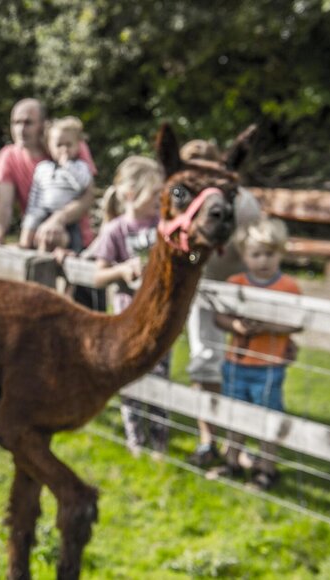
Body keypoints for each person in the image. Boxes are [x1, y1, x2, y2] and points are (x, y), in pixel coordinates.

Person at [180, 140, 263, 467]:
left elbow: (257, 249)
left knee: (246, 366)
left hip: (240, 289)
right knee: (204, 360)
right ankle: (208, 440)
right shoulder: (182, 198)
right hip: (203, 286)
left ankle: (239, 443)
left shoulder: (244, 203)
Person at [212, 218, 302, 490]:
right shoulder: (236, 283)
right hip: (236, 363)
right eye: (256, 254)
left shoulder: (288, 287)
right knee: (234, 415)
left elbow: (297, 321)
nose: (263, 260)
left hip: (269, 367)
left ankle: (266, 469)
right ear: (244, 256)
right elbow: (220, 317)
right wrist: (237, 326)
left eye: (269, 254)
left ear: (280, 253)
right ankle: (232, 461)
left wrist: (268, 326)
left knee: (268, 419)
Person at [90, 156, 169, 457]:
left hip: (159, 318)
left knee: (160, 379)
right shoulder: (115, 230)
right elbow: (98, 275)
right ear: (131, 195)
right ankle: (135, 442)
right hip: (126, 319)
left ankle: (159, 444)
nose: (160, 200)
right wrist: (122, 270)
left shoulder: (164, 227)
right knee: (129, 378)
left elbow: (186, 257)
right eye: (155, 194)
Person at [0, 98, 97, 258]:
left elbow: (88, 196)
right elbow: (4, 204)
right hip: (35, 239)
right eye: (16, 123)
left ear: (43, 125)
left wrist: (58, 219)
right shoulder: (9, 155)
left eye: (28, 123)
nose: (21, 129)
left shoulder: (67, 144)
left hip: (76, 241)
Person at [19, 117, 94, 253]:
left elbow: (83, 184)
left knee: (65, 241)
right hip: (43, 213)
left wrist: (67, 165)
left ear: (78, 145)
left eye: (69, 145)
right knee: (35, 234)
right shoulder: (42, 168)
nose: (64, 149)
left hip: (69, 221)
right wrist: (31, 219)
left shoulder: (80, 167)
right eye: (59, 145)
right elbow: (36, 196)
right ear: (49, 146)